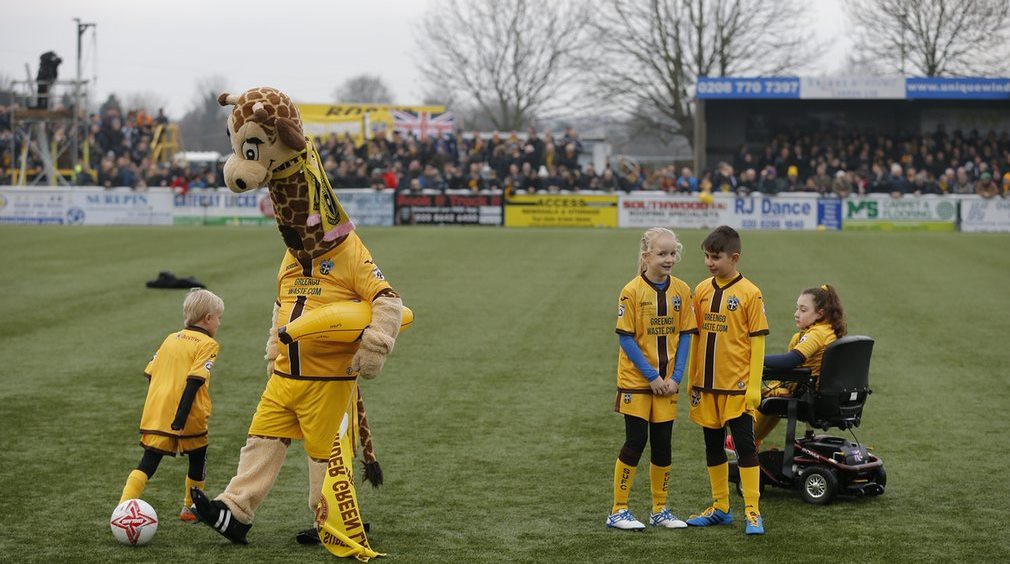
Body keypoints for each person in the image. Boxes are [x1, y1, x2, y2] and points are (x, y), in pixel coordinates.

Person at [608, 228, 697, 531]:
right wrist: (652, 377)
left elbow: (686, 335)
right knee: (636, 440)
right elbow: (626, 340)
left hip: (667, 383)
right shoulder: (631, 291)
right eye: (662, 253)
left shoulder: (682, 290)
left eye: (673, 253)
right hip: (637, 381)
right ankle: (618, 510)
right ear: (646, 256)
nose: (669, 259)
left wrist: (675, 377)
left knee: (663, 444)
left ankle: (660, 510)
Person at [686, 226, 768, 535]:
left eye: (715, 257)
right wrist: (693, 377)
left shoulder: (750, 293)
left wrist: (755, 385)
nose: (709, 262)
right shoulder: (702, 290)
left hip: (737, 386)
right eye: (706, 256)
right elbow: (694, 337)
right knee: (712, 446)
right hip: (707, 386)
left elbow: (758, 342)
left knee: (745, 446)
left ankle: (752, 510)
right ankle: (720, 507)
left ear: (734, 257)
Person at [118, 288, 224, 522]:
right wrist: (181, 416)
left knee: (149, 461)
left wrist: (161, 405)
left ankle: (123, 506)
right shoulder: (207, 344)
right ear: (207, 319)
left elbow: (150, 373)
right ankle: (189, 508)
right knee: (198, 458)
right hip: (189, 414)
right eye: (218, 318)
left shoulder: (170, 339)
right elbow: (195, 381)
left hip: (157, 412)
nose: (218, 323)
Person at [753, 285, 847, 445]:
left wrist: (753, 359)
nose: (796, 314)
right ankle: (753, 441)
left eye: (803, 310)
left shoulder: (817, 334)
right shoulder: (829, 330)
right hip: (822, 395)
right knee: (775, 393)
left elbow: (791, 360)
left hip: (808, 395)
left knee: (769, 395)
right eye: (797, 308)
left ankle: (746, 441)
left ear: (820, 313)